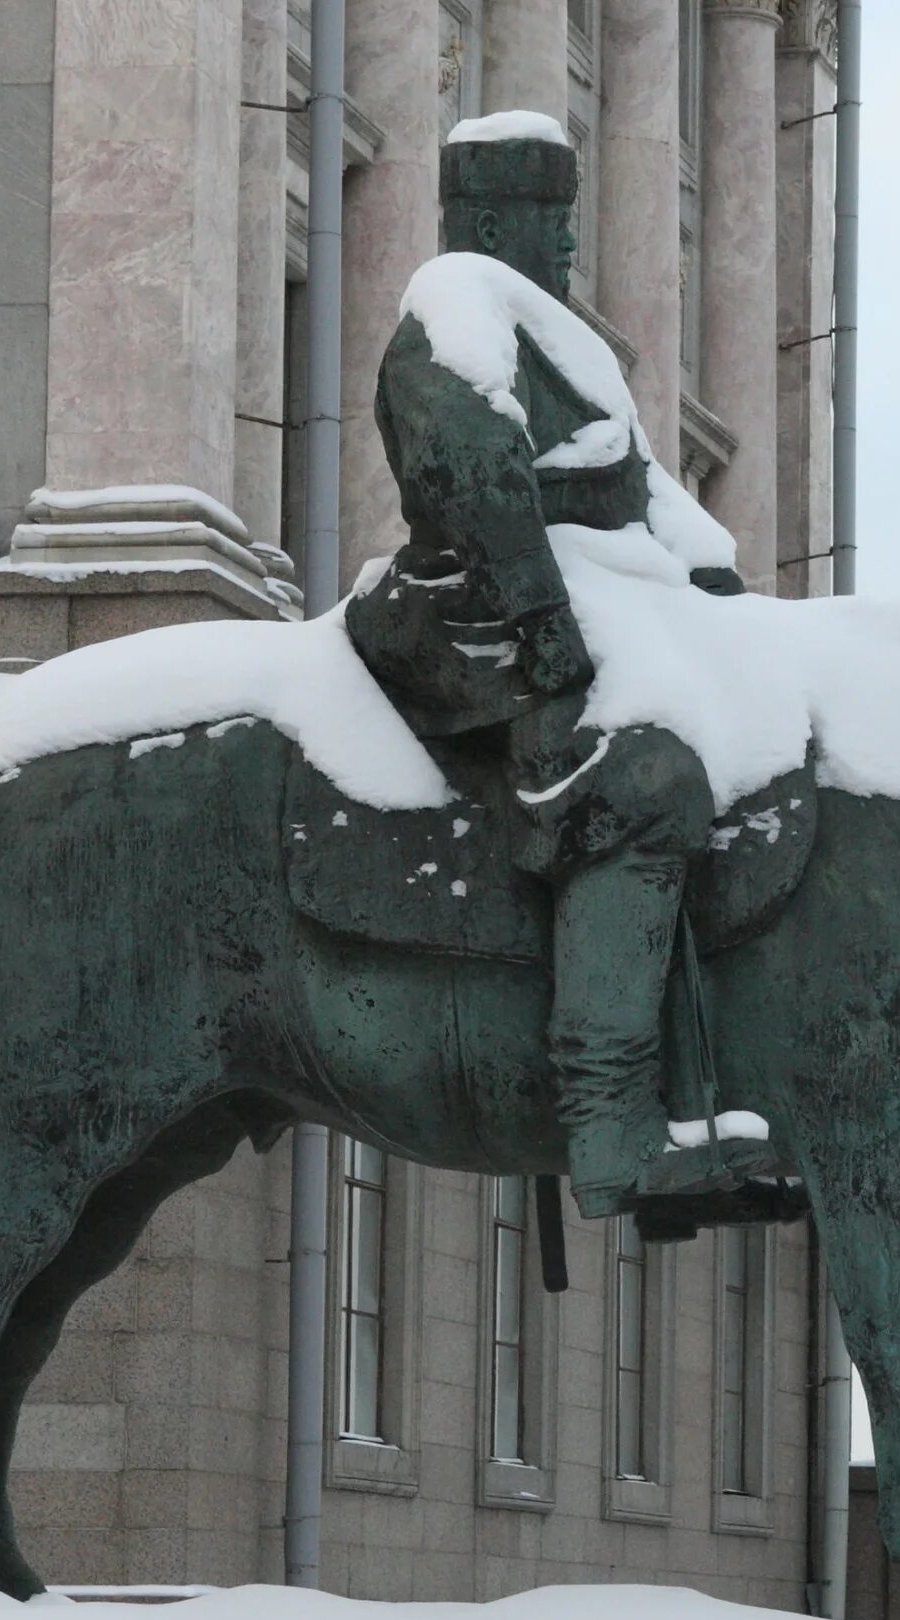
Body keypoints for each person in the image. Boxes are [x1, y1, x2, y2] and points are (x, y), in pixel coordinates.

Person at [348, 112, 762, 1221]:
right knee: (638, 788)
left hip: (576, 603)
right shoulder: (456, 316)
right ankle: (609, 1125)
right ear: (491, 222)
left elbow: (642, 491)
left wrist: (719, 587)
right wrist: (542, 625)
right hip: (473, 620)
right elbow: (475, 480)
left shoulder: (558, 338)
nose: (571, 249)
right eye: (554, 227)